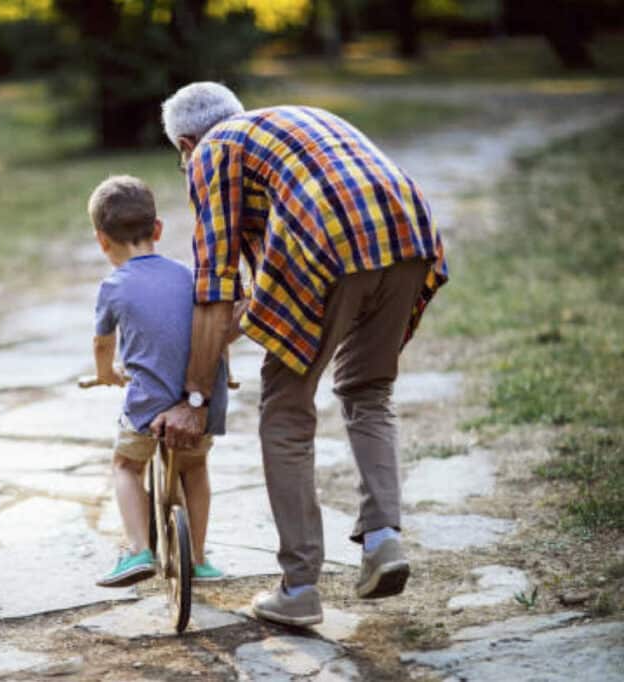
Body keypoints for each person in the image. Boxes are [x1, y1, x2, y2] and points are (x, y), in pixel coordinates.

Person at [152, 83, 448, 626]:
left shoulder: (212, 153)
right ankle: (383, 540)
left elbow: (215, 285)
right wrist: (211, 344)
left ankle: (299, 587)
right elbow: (255, 301)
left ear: (186, 145)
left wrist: (194, 395)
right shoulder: (295, 118)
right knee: (367, 389)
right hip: (411, 233)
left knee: (286, 411)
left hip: (329, 244)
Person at [87, 175, 229, 587]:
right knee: (196, 467)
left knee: (126, 465)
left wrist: (104, 374)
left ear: (102, 240)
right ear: (158, 229)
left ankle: (137, 550)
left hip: (147, 403)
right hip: (197, 400)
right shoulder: (187, 276)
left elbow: (102, 342)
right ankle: (199, 559)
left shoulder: (113, 286)